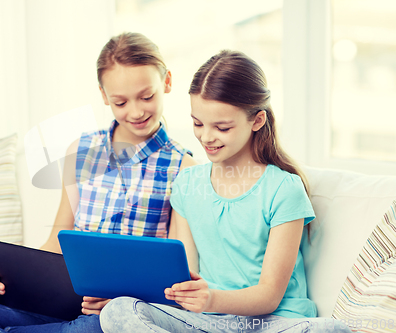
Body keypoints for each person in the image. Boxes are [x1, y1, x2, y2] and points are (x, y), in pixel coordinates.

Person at [0, 32, 196, 333]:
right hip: (56, 302)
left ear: (167, 82)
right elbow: (57, 239)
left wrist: (124, 301)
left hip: (111, 314)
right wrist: (8, 280)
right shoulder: (81, 150)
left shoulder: (183, 167)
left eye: (147, 96)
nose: (136, 111)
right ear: (104, 96)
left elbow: (173, 273)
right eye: (120, 102)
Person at [99, 50, 353, 333]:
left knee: (330, 329)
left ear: (256, 121)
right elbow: (182, 275)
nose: (206, 137)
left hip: (274, 322)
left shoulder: (284, 189)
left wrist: (211, 298)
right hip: (209, 322)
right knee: (119, 310)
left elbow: (269, 295)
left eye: (221, 127)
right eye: (198, 124)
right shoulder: (187, 183)